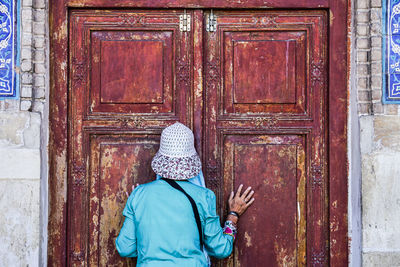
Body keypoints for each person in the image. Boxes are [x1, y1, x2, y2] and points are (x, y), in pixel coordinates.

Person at [116, 122, 255, 266]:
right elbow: (220, 249)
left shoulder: (138, 195)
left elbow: (125, 248)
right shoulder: (204, 197)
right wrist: (233, 215)